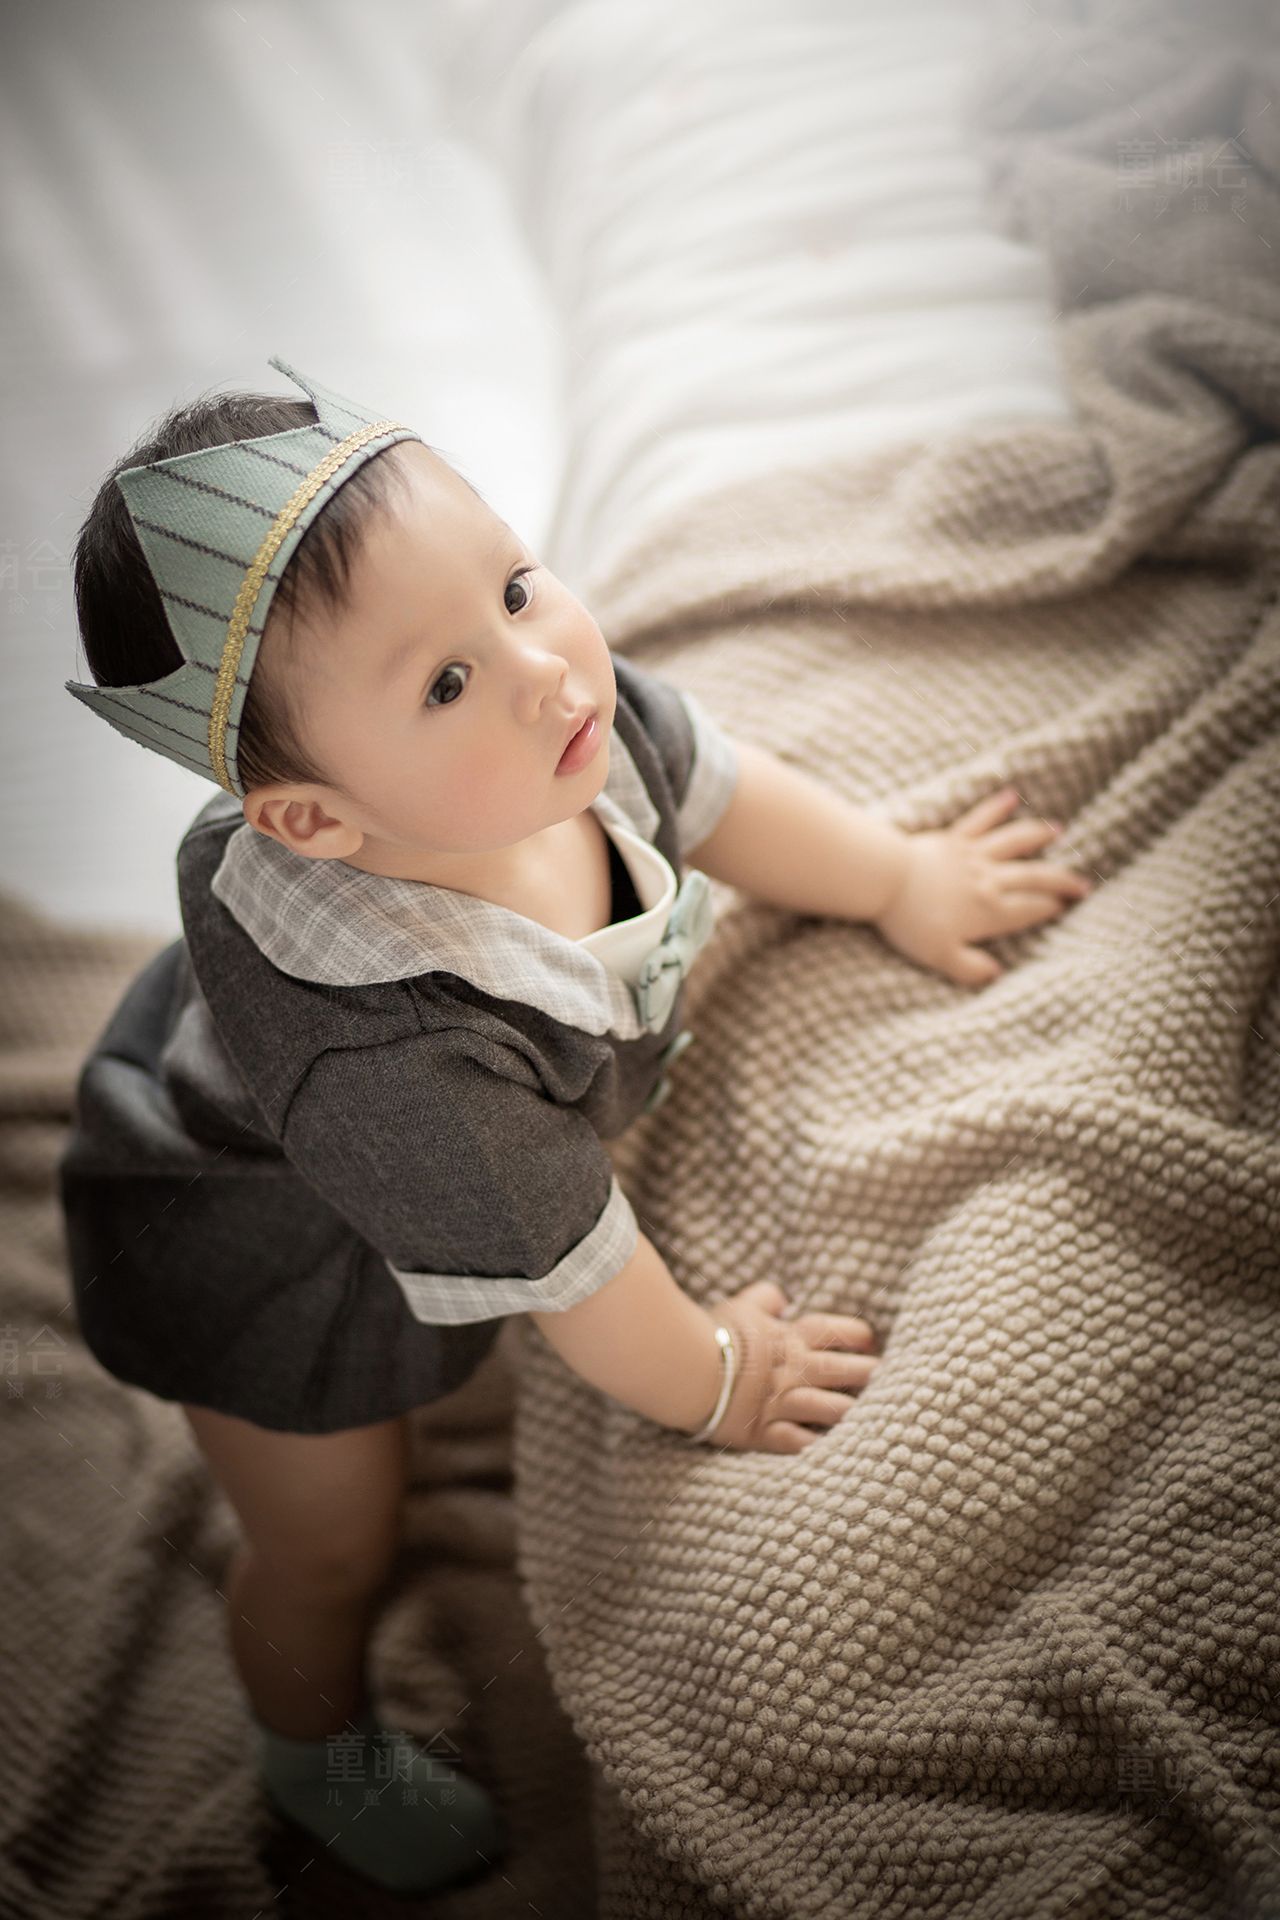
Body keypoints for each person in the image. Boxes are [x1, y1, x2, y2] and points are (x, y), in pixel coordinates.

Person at [56, 356, 898, 1898]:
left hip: (409, 1153)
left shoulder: (559, 726)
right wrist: (718, 1376)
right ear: (316, 821)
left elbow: (718, 789)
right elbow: (579, 1276)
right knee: (333, 1544)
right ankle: (312, 1751)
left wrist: (901, 878)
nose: (541, 672)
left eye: (515, 586)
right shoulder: (390, 1058)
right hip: (256, 1250)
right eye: (444, 682)